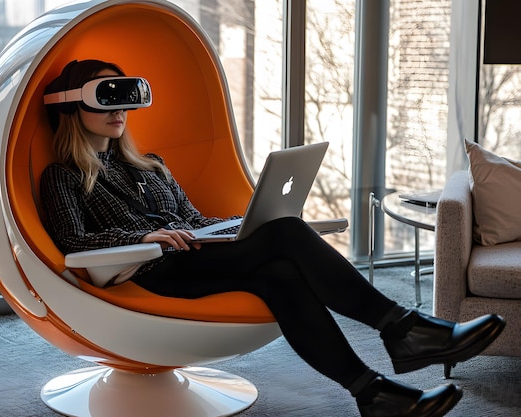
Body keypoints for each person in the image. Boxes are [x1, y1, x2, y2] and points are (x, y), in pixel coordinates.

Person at [39, 59, 505, 417]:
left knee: (281, 273)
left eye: (124, 99)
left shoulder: (151, 164)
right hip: (151, 269)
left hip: (195, 256)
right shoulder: (62, 176)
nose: (119, 110)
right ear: (71, 107)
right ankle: (404, 329)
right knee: (283, 232)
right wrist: (147, 234)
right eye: (106, 99)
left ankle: (375, 396)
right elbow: (73, 243)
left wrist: (231, 228)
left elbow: (192, 218)